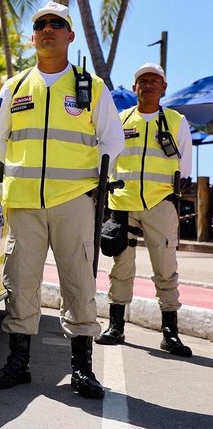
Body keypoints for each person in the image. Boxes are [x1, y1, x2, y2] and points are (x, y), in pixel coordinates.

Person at [0, 1, 125, 399]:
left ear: (69, 35)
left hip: (73, 201)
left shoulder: (90, 87)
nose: (48, 29)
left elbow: (112, 141)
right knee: (20, 282)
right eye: (41, 24)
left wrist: (89, 188)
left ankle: (82, 368)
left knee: (78, 282)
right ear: (33, 37)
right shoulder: (14, 86)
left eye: (56, 24)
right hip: (24, 202)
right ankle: (18, 362)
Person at [95, 63, 194, 357]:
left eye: (155, 81)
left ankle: (169, 332)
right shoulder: (121, 120)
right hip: (123, 204)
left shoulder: (177, 122)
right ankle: (116, 327)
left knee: (165, 269)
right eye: (142, 81)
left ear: (163, 87)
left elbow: (184, 167)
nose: (148, 85)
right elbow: (108, 160)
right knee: (120, 268)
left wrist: (167, 197)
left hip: (159, 204)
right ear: (135, 87)